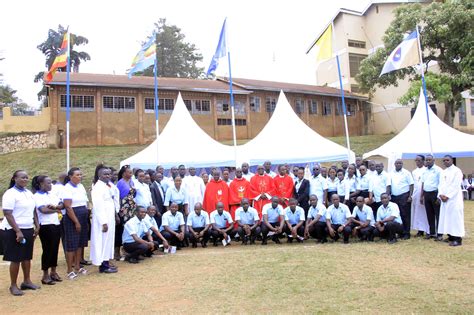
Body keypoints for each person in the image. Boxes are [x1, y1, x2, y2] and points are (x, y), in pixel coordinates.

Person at [1, 170, 40, 296]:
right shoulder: (10, 194)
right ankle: (13, 285)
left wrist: (37, 225)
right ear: (14, 179)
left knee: (27, 256)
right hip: (13, 230)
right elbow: (7, 213)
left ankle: (27, 281)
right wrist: (18, 231)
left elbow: (34, 210)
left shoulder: (28, 193)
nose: (25, 179)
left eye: (26, 177)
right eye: (22, 177)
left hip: (28, 228)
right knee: (15, 258)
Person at [32, 175, 63, 285]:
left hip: (55, 223)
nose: (51, 185)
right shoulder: (36, 196)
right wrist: (56, 209)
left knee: (55, 248)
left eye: (51, 183)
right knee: (47, 249)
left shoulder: (52, 194)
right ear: (41, 184)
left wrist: (56, 207)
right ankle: (45, 274)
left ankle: (53, 272)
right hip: (45, 225)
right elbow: (43, 210)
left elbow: (62, 204)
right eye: (48, 183)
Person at [62, 167, 90, 280]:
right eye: (77, 175)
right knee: (71, 244)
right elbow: (68, 206)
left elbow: (85, 201)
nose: (80, 176)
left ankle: (78, 266)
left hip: (83, 215)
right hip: (73, 217)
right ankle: (69, 270)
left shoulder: (81, 186)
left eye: (80, 174)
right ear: (70, 176)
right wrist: (76, 222)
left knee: (80, 243)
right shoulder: (67, 188)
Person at [90, 166, 117, 274]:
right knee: (102, 241)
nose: (108, 176)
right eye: (105, 174)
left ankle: (106, 262)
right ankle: (103, 266)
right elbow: (98, 206)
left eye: (109, 174)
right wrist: (103, 222)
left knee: (108, 241)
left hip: (109, 217)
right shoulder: (97, 187)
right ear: (99, 175)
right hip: (103, 219)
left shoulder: (107, 185)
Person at [437, 155, 465, 246]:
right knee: (446, 218)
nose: (445, 162)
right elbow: (440, 184)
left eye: (447, 160)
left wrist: (448, 196)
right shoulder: (443, 172)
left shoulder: (457, 171)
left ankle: (457, 239)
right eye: (444, 160)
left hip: (454, 199)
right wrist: (440, 194)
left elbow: (456, 185)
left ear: (452, 160)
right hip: (444, 199)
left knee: (455, 219)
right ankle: (450, 236)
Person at [390, 159, 414, 239]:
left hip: (404, 196)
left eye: (400, 163)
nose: (398, 164)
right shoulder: (391, 173)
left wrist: (410, 196)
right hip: (394, 197)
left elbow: (411, 185)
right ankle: (400, 232)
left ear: (402, 164)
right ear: (394, 164)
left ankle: (406, 233)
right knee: (397, 215)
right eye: (397, 163)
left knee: (405, 215)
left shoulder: (407, 173)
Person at [421, 154, 442, 240]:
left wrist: (439, 197)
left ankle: (439, 234)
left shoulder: (438, 170)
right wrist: (422, 195)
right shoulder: (425, 171)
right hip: (427, 194)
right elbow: (423, 183)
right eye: (427, 160)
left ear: (434, 160)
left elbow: (441, 183)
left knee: (438, 214)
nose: (428, 161)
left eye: (430, 160)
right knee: (429, 214)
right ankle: (432, 232)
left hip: (435, 194)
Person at [411, 155, 430, 237]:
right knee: (417, 213)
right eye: (416, 160)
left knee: (425, 213)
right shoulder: (414, 171)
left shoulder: (426, 170)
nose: (417, 162)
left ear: (423, 161)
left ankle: (428, 230)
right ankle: (420, 230)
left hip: (424, 195)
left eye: (419, 160)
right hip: (416, 195)